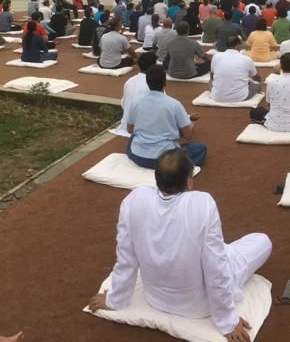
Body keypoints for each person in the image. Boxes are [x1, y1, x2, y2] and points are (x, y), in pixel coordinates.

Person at [87, 149, 269, 342]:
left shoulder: (134, 199)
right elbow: (216, 268)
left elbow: (126, 257)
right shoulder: (202, 204)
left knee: (216, 249)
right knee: (262, 241)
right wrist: (227, 321)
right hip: (198, 307)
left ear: (156, 178)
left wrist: (115, 298)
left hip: (154, 298)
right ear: (189, 181)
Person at [124, 67, 207, 167]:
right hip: (165, 159)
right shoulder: (174, 104)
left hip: (138, 156)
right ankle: (174, 168)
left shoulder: (135, 102)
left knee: (133, 138)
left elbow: (130, 130)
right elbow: (188, 136)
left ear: (147, 82)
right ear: (165, 82)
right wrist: (190, 124)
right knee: (200, 148)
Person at [210, 37, 261, 103]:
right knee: (257, 85)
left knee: (210, 82)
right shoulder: (246, 59)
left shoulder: (216, 56)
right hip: (240, 97)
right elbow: (256, 78)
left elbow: (212, 77)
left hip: (217, 97)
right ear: (237, 45)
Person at [118, 52, 159, 133]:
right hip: (143, 127)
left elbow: (123, 103)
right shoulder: (153, 83)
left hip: (127, 124)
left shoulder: (129, 81)